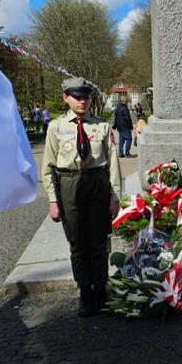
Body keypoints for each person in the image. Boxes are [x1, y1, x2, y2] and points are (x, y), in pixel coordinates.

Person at [42, 77, 122, 318]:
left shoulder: (102, 127)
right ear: (65, 98)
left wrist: (115, 196)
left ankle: (100, 288)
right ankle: (85, 291)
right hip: (69, 184)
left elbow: (113, 165)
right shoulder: (56, 127)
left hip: (97, 183)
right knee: (77, 243)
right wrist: (53, 200)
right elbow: (48, 166)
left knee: (98, 241)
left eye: (86, 97)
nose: (82, 101)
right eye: (77, 97)